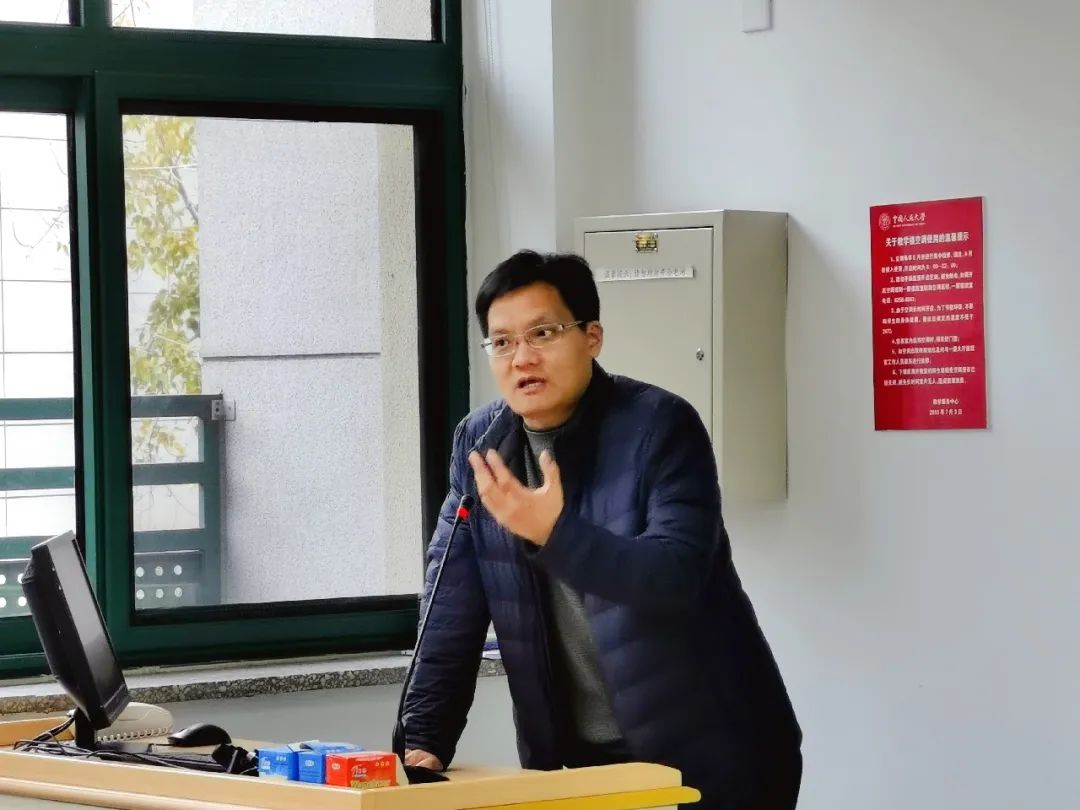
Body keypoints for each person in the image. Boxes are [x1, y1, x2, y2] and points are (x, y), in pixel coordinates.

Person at [400, 250, 802, 809]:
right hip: (581, 769)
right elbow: (450, 605)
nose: (522, 358)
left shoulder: (660, 425)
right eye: (502, 342)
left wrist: (555, 534)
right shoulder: (481, 442)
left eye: (543, 333)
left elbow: (675, 575)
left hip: (714, 757)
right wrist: (424, 740)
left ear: (592, 337)